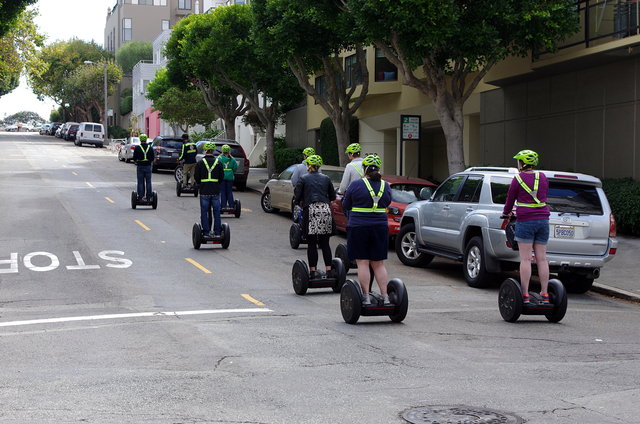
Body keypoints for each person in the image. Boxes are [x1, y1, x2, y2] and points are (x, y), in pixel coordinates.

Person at [341, 154, 392, 305]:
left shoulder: (356, 185)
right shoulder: (386, 186)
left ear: (364, 169)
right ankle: (385, 296)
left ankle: (365, 297)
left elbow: (345, 205)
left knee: (362, 262)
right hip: (380, 227)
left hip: (359, 227)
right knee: (378, 263)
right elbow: (387, 202)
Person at [502, 149, 551, 304]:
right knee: (542, 259)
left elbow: (510, 199)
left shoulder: (517, 179)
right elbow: (544, 194)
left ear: (522, 163)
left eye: (518, 161)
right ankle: (544, 293)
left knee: (525, 259)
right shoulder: (542, 177)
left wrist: (506, 213)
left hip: (525, 220)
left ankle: (524, 294)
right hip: (543, 220)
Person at [294, 155, 337, 279]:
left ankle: (313, 271)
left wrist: (299, 202)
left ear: (308, 165)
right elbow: (332, 197)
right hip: (325, 210)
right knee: (325, 243)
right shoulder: (326, 178)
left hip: (311, 210)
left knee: (311, 243)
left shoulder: (303, 178)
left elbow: (297, 196)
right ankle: (329, 270)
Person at [194, 142, 224, 237]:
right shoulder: (218, 162)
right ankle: (217, 232)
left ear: (205, 150)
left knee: (204, 212)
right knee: (216, 212)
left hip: (204, 191)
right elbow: (221, 177)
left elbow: (197, 178)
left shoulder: (200, 163)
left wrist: (201, 183)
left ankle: (206, 232)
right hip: (215, 191)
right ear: (213, 150)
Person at [132, 133, 154, 201]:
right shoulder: (150, 148)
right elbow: (152, 158)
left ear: (140, 140)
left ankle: (141, 196)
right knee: (148, 182)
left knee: (140, 182)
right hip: (148, 166)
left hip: (140, 166)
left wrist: (136, 161)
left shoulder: (137, 148)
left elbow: (134, 158)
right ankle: (149, 197)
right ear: (146, 139)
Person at [218, 144, 238, 209]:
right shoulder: (232, 159)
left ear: (222, 151)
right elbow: (235, 168)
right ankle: (231, 206)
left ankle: (223, 206)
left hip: (222, 177)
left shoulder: (219, 158)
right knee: (229, 191)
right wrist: (231, 172)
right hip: (230, 177)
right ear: (229, 151)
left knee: (223, 191)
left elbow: (217, 167)